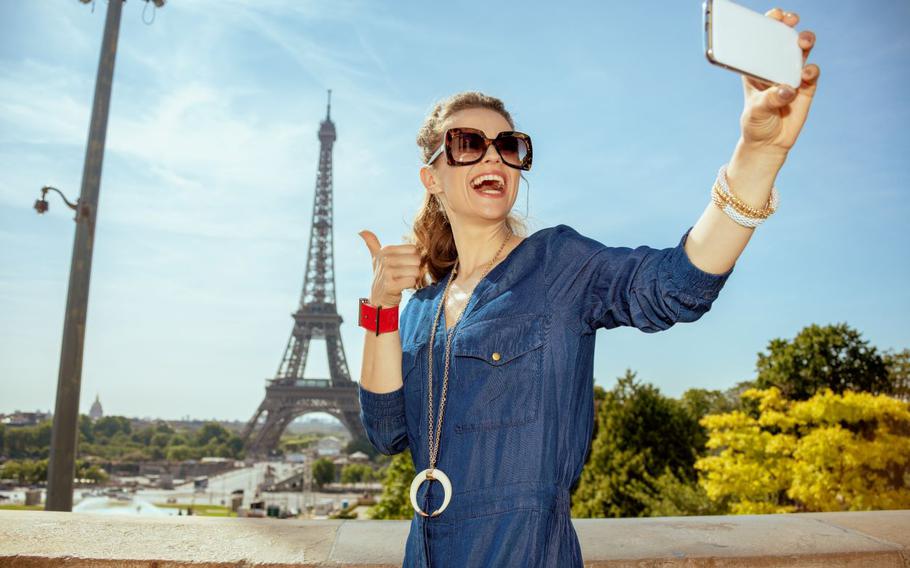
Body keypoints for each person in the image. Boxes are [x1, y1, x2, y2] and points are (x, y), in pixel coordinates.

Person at [356, 9, 819, 567]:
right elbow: (386, 433)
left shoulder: (559, 265)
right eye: (467, 142)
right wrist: (381, 305)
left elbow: (676, 285)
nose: (493, 156)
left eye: (509, 145)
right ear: (432, 177)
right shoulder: (422, 308)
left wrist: (759, 156)